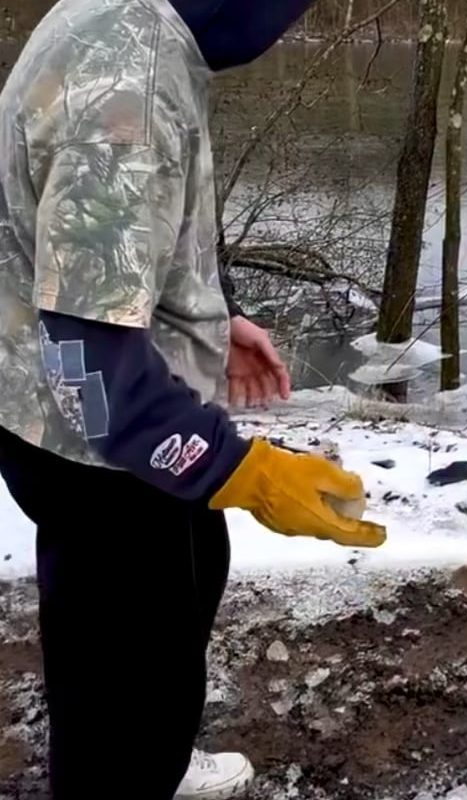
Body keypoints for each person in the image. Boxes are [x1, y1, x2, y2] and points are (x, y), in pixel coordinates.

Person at [0, 1, 387, 798]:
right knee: (124, 687)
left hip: (71, 403)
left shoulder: (122, 17)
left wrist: (210, 315)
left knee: (181, 587)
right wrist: (242, 470)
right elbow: (91, 367)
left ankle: (158, 753)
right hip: (93, 449)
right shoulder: (129, 89)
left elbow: (97, 245)